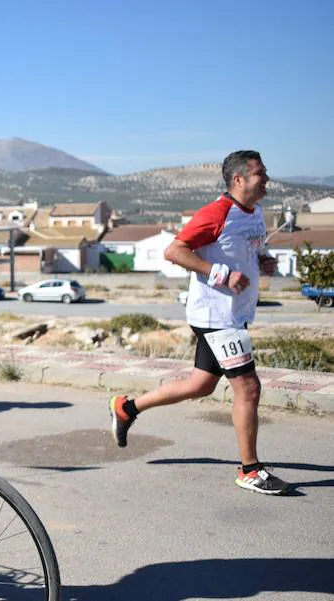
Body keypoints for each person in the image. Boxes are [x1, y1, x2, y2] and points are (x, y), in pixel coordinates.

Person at [108, 150, 289, 495]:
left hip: (234, 314)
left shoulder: (255, 213)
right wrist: (222, 274)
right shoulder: (216, 212)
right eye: (260, 174)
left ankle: (127, 408)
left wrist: (263, 262)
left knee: (201, 385)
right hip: (215, 316)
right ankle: (250, 470)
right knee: (248, 388)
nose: (266, 179)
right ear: (239, 179)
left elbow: (245, 252)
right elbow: (175, 251)